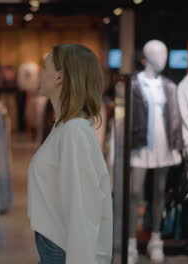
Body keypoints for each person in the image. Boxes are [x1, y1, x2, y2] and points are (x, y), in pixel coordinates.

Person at [28, 44, 113, 264]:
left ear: (59, 76)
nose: (40, 73)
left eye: (45, 67)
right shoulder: (65, 127)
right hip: (56, 245)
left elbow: (82, 209)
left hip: (62, 250)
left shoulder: (73, 131)